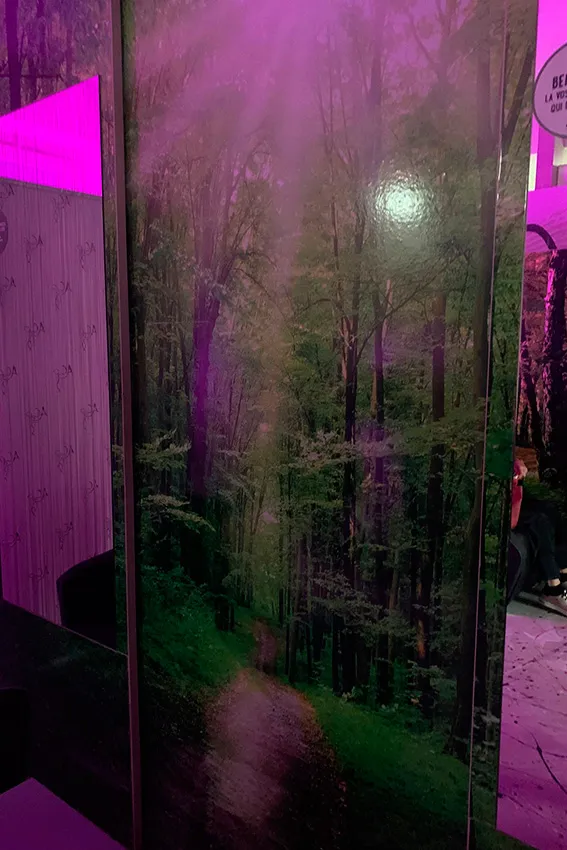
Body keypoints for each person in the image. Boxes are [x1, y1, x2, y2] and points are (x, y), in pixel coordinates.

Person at [512, 458, 567, 616]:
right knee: (540, 522)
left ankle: (564, 574)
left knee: (551, 510)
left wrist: (518, 465)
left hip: (516, 495)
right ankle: (553, 588)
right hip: (506, 505)